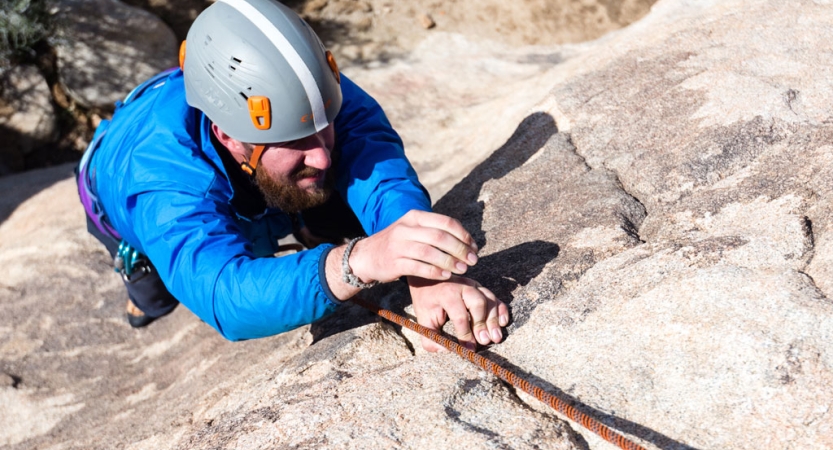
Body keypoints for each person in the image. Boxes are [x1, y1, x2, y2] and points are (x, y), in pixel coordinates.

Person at [76, 0, 508, 352]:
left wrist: (423, 267)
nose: (320, 154)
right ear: (227, 135)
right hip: (118, 191)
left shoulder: (307, 94)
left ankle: (302, 224)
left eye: (325, 130)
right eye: (298, 142)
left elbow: (375, 166)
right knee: (157, 293)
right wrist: (361, 260)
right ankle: (143, 299)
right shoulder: (160, 181)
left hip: (238, 153)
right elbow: (225, 295)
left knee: (318, 195)